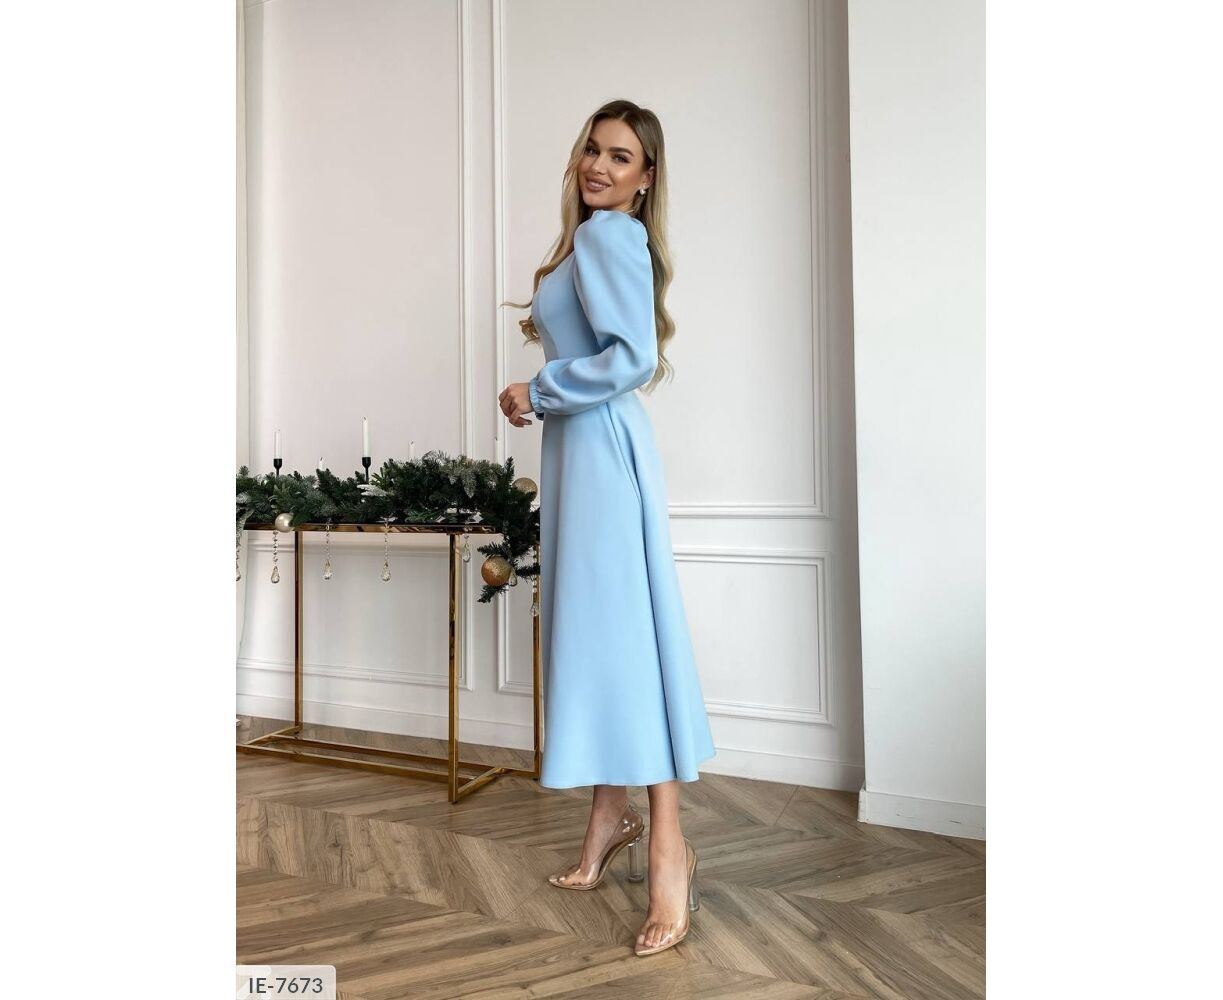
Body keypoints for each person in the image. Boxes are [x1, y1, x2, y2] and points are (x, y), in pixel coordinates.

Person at [499, 100, 715, 958]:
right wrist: (545, 392)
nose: (599, 165)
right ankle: (608, 818)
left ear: (646, 177)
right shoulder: (589, 238)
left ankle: (668, 850)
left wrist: (538, 389)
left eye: (621, 157)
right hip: (584, 454)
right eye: (592, 149)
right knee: (601, 638)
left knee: (624, 643)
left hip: (597, 454)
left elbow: (632, 358)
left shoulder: (607, 236)